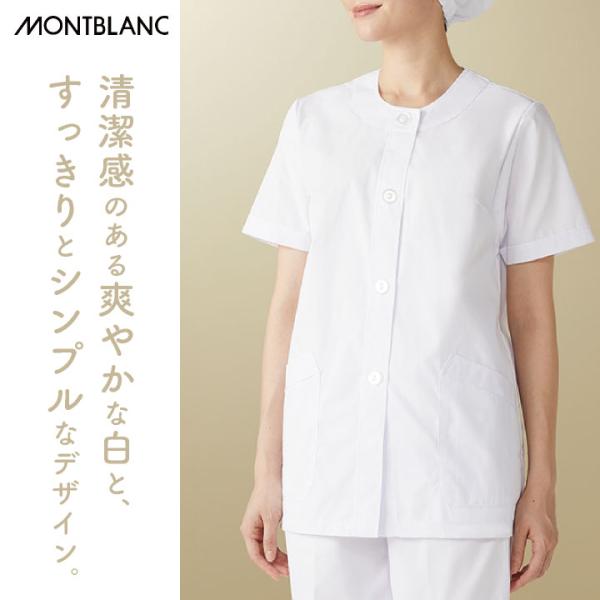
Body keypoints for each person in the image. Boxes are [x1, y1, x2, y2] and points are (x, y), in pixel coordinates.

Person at [239, 1, 595, 598]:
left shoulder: (512, 125)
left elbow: (532, 319)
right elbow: (288, 306)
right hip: (327, 462)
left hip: (457, 469)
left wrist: (542, 483)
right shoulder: (313, 122)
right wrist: (267, 472)